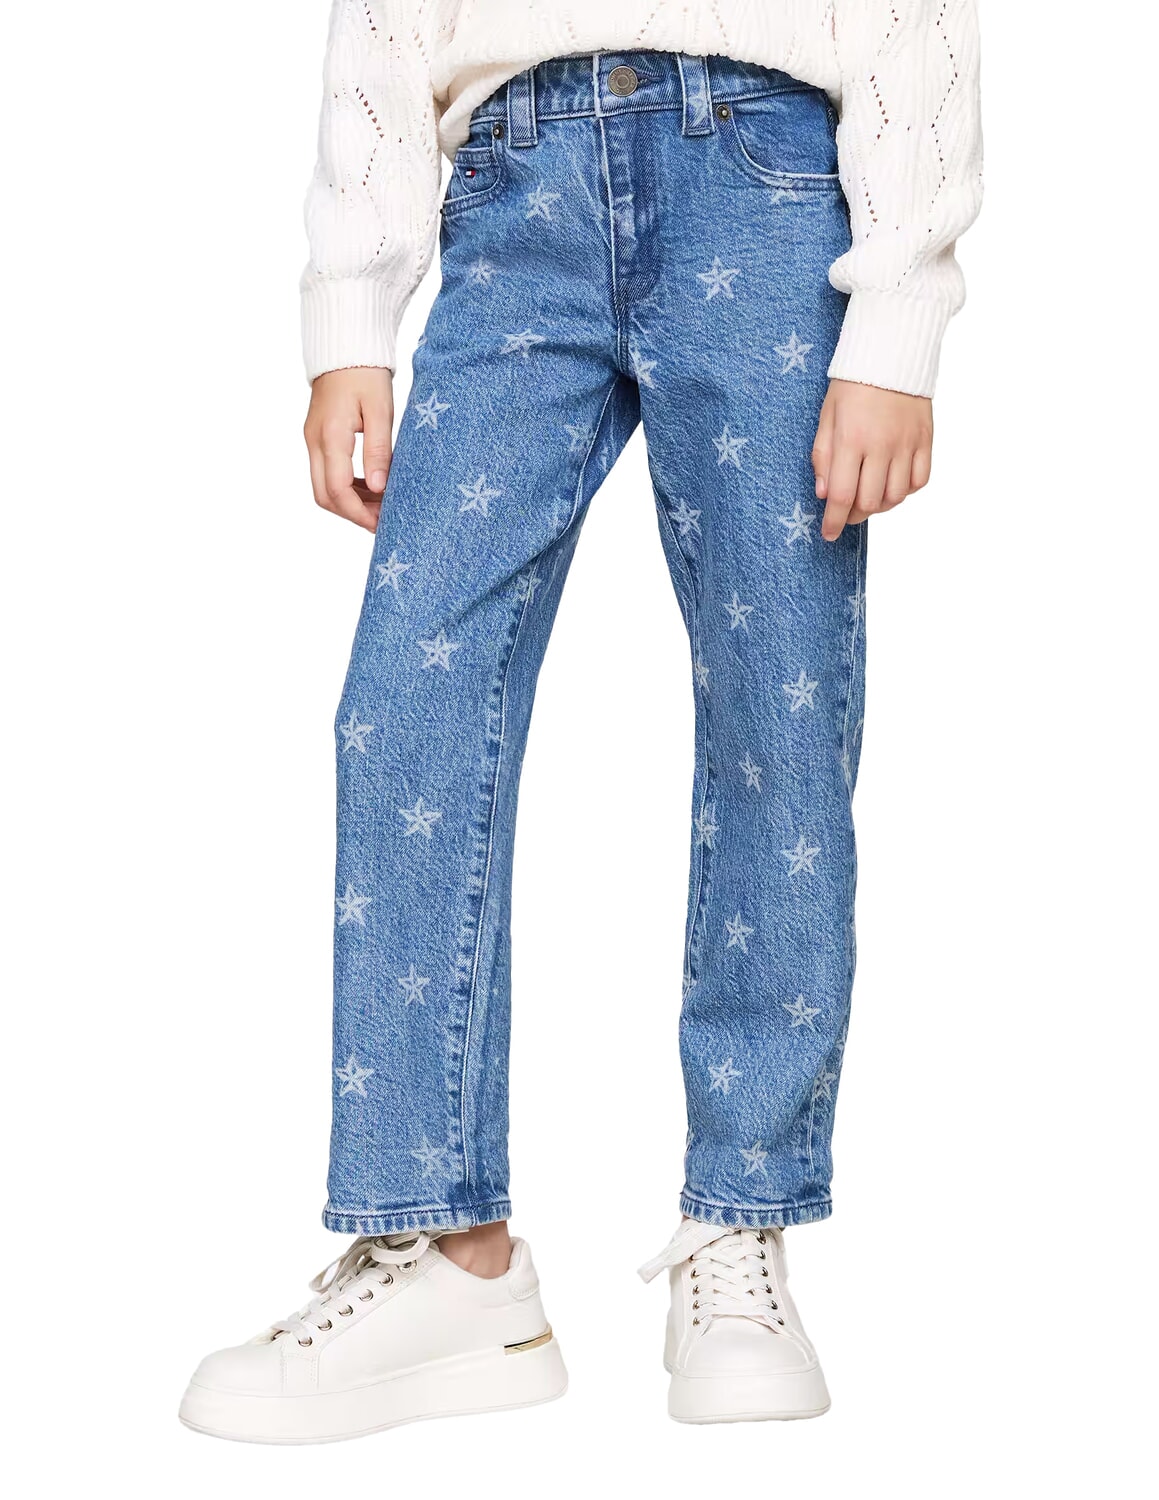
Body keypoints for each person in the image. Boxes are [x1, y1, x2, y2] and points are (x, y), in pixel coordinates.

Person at [180, 1, 982, 1440]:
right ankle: (447, 1250)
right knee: (406, 700)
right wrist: (352, 305)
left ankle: (740, 1223)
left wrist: (899, 310)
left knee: (778, 705)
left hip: (766, 174)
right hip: (511, 182)